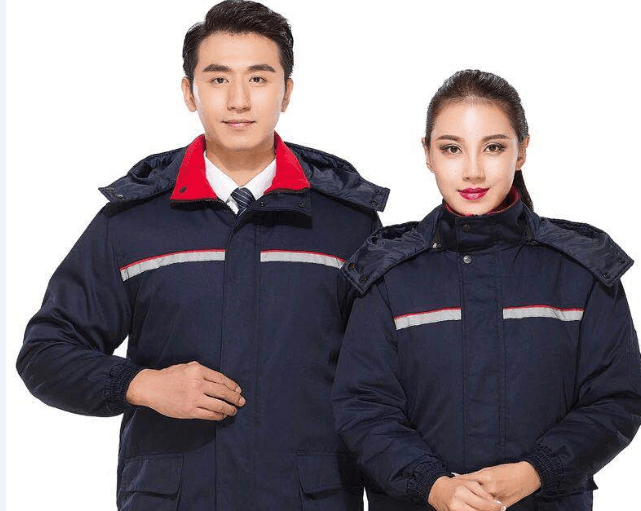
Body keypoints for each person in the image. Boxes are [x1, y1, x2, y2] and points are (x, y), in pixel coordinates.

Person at [15, 1, 388, 510]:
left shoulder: (345, 226)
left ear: (287, 91)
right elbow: (45, 354)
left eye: (258, 78)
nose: (239, 100)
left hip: (308, 498)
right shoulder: (133, 224)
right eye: (218, 79)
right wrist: (142, 384)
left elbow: (389, 381)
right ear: (189, 92)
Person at [331, 69, 641, 511]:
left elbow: (616, 399)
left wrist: (536, 472)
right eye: (451, 149)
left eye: (493, 147)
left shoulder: (580, 271)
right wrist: (434, 486)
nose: (473, 171)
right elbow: (364, 406)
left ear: (522, 150)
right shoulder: (388, 275)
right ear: (427, 154)